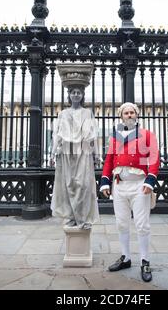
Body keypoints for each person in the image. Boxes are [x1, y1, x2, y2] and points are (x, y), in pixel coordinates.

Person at [99, 102, 160, 282]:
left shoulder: (147, 134)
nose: (130, 115)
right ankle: (125, 257)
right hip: (119, 185)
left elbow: (154, 157)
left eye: (132, 112)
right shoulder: (115, 136)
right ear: (121, 116)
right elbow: (109, 160)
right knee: (121, 223)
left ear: (137, 115)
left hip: (139, 185)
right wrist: (105, 181)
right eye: (126, 113)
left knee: (142, 225)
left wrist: (151, 180)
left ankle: (145, 261)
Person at [50, 77, 100, 230]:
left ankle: (83, 217)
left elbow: (93, 136)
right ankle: (71, 217)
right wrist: (53, 153)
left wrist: (96, 154)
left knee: (83, 185)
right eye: (73, 92)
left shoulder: (87, 113)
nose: (76, 95)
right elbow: (56, 135)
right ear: (69, 95)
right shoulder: (63, 114)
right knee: (68, 185)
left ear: (82, 95)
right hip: (66, 153)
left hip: (83, 152)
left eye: (79, 92)